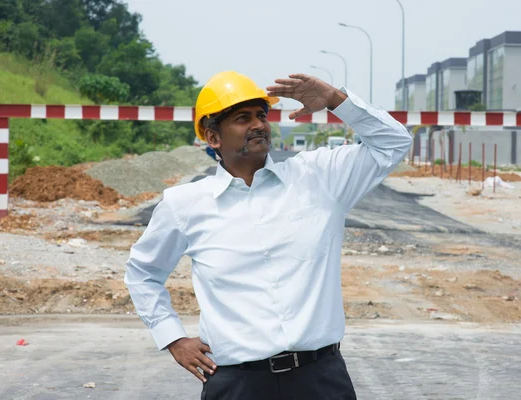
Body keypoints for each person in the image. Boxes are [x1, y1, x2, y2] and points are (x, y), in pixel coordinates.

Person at [124, 71, 412, 399]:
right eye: (242, 118)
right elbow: (142, 274)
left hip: (321, 379)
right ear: (213, 137)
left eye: (262, 115)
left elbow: (394, 143)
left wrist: (334, 99)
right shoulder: (185, 205)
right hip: (236, 385)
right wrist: (172, 338)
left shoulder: (319, 178)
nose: (259, 124)